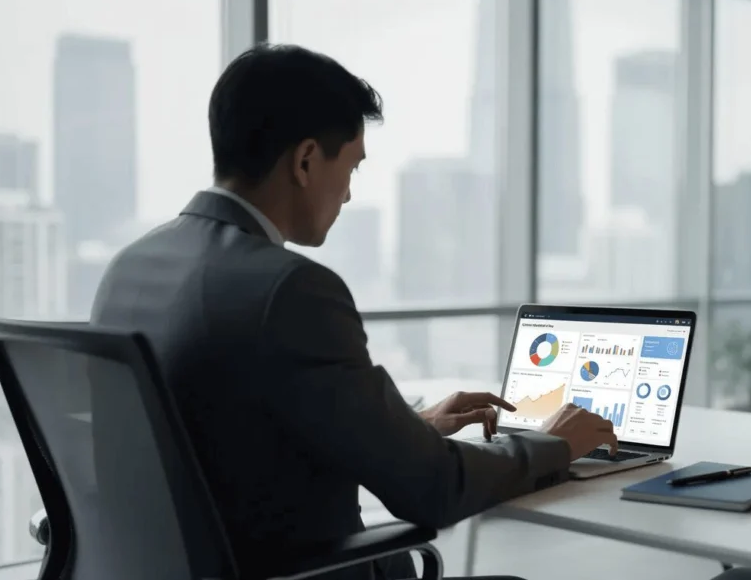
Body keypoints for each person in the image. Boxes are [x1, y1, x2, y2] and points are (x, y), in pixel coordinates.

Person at [89, 44, 618, 580]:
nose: (346, 194)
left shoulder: (128, 270)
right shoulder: (290, 290)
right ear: (305, 160)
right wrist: (554, 442)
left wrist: (404, 428)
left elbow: (232, 436)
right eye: (353, 166)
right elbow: (435, 490)